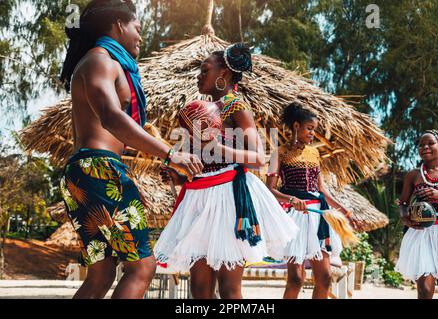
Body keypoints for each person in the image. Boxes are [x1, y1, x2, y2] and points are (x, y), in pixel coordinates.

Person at [59, 0, 202, 299]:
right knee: (141, 268)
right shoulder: (101, 60)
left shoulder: (99, 61)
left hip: (86, 172)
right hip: (99, 169)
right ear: (119, 25)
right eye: (138, 28)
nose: (140, 36)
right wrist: (170, 154)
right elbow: (111, 117)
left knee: (101, 274)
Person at [156, 43, 299, 299]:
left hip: (229, 199)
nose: (199, 76)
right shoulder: (198, 112)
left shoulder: (236, 106)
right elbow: (201, 160)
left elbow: (257, 158)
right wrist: (178, 175)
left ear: (223, 73)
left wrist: (218, 147)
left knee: (229, 289)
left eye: (205, 70)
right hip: (199, 198)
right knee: (199, 289)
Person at [266, 102, 355, 299]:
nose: (312, 133)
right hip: (293, 217)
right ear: (296, 126)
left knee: (325, 277)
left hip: (318, 218)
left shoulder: (315, 153)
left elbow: (321, 189)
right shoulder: (279, 153)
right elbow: (270, 189)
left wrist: (344, 211)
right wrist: (292, 199)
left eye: (314, 130)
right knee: (296, 278)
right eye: (309, 128)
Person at [395, 130, 438, 299]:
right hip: (422, 234)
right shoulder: (414, 175)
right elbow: (403, 203)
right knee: (424, 291)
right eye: (421, 145)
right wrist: (405, 218)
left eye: (430, 143)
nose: (425, 147)